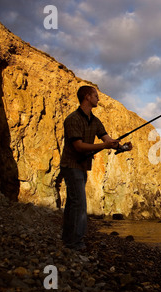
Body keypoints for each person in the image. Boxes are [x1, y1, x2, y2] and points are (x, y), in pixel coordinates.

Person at [59, 85, 120, 250]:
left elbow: (108, 140)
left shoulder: (95, 121)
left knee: (73, 203)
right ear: (87, 97)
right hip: (70, 165)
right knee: (79, 204)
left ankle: (67, 239)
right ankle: (76, 242)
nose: (98, 98)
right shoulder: (72, 119)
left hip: (82, 166)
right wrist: (104, 145)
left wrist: (121, 147)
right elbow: (78, 146)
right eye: (95, 95)